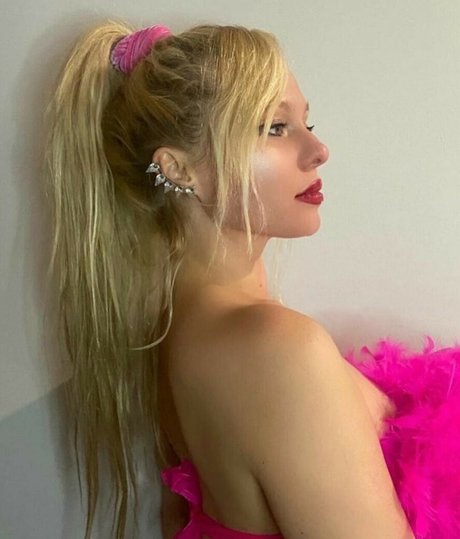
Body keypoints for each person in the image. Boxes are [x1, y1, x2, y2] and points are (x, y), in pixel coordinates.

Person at [43, 19, 459, 539]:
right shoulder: (272, 348)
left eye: (307, 121)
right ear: (179, 169)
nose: (318, 149)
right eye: (275, 128)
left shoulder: (181, 330)